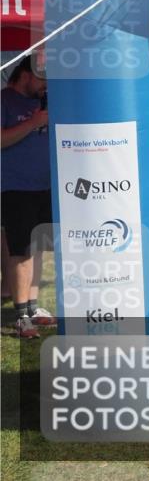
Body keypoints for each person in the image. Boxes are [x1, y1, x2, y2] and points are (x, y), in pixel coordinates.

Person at [1, 56, 57, 338]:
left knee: (37, 249)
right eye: (42, 78)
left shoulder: (41, 101)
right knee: (21, 251)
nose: (45, 84)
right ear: (26, 75)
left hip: (44, 186)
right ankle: (21, 314)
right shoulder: (4, 100)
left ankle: (33, 308)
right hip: (15, 187)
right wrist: (34, 122)